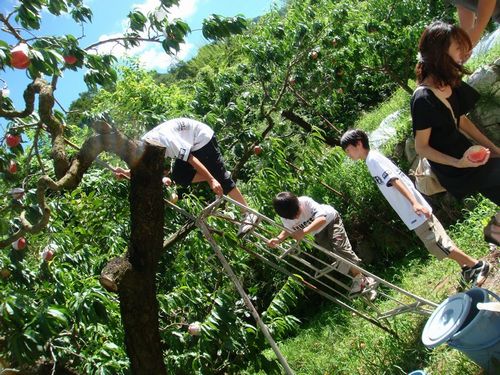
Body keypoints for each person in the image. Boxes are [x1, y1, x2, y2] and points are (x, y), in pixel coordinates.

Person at [340, 129, 490, 286]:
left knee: (438, 243)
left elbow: (394, 180)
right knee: (438, 243)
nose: (348, 154)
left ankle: (477, 265)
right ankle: (466, 268)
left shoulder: (373, 160)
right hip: (411, 212)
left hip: (414, 210)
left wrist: (414, 203)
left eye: (348, 150)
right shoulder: (372, 159)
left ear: (358, 143)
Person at [411, 21, 500, 245]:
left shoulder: (450, 82)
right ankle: (495, 230)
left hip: (472, 157)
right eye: (458, 47)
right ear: (440, 53)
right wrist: (458, 163)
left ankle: (495, 231)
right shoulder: (423, 99)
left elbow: (461, 121)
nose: (464, 53)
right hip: (456, 169)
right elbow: (421, 147)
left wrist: (494, 148)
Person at [113, 117, 258, 236]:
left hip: (201, 139)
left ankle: (248, 214)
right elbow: (144, 169)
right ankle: (216, 175)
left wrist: (211, 179)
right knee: (179, 176)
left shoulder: (168, 142)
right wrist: (125, 172)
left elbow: (191, 159)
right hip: (189, 141)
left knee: (221, 180)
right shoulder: (144, 146)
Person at [267, 192, 377, 300]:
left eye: (297, 212)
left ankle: (363, 280)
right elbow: (288, 230)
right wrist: (278, 239)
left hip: (331, 221)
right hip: (317, 232)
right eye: (292, 217)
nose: (296, 217)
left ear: (298, 203)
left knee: (341, 249)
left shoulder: (306, 201)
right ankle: (362, 280)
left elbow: (322, 219)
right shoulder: (286, 217)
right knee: (337, 259)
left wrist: (304, 231)